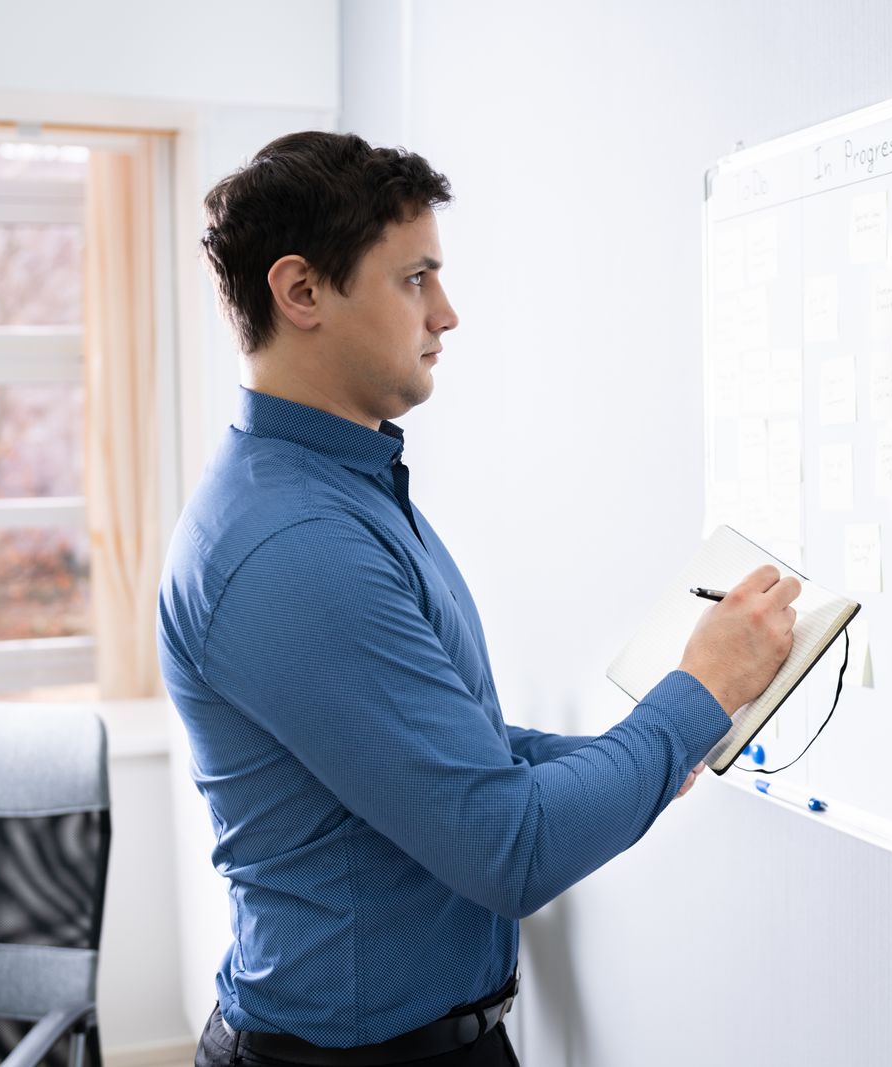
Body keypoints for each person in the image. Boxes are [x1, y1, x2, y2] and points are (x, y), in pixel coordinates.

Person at [157, 130, 800, 1067]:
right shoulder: (294, 550)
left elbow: (453, 748)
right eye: (414, 278)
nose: (447, 313)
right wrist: (694, 694)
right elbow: (512, 849)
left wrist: (649, 744)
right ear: (300, 293)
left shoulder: (342, 488)